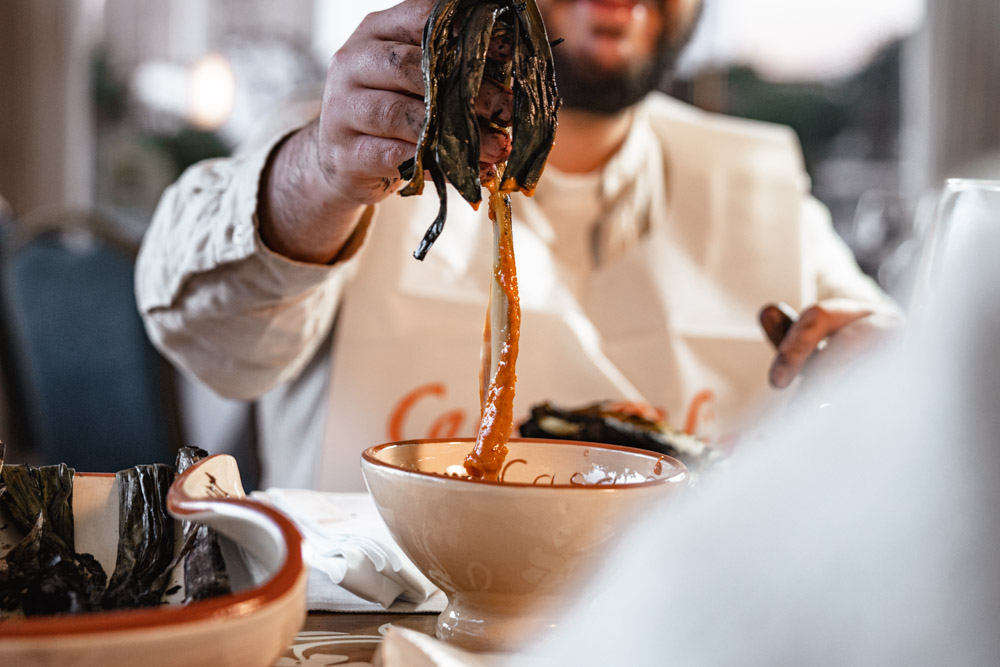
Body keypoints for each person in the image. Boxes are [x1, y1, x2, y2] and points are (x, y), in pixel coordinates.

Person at [136, 0, 900, 490]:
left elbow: (885, 365)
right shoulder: (353, 140)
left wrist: (883, 362)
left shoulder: (754, 179)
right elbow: (207, 336)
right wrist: (318, 176)